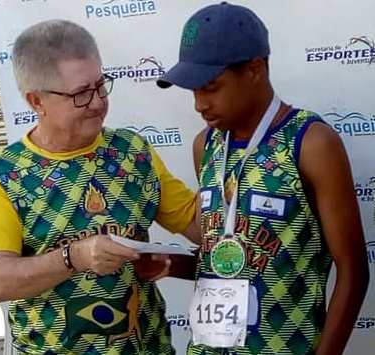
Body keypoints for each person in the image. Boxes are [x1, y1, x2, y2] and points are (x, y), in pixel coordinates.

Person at [0, 19, 200, 354]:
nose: (97, 102)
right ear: (36, 101)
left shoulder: (132, 152)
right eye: (80, 94)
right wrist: (73, 257)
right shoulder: (1, 176)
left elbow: (197, 225)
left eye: (100, 85)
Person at [157, 2, 369, 354]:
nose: (198, 104)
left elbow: (354, 271)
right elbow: (232, 258)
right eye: (193, 90)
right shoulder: (205, 146)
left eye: (210, 87)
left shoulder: (310, 143)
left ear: (255, 69)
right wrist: (172, 264)